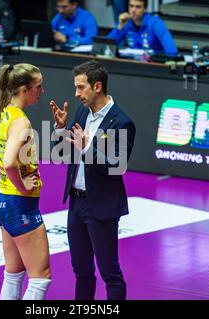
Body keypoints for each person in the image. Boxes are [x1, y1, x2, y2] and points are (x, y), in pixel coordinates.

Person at [49, 60, 136, 300]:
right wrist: (59, 129)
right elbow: (65, 153)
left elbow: (116, 166)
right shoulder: (81, 113)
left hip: (102, 206)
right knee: (82, 271)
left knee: (110, 273)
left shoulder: (122, 122)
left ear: (97, 86)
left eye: (81, 88)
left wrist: (86, 147)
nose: (76, 94)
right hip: (76, 204)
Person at [0, 63, 51, 300]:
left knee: (13, 274)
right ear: (23, 90)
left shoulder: (5, 112)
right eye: (38, 87)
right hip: (20, 204)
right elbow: (10, 162)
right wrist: (23, 183)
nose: (42, 91)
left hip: (2, 200)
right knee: (40, 277)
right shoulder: (21, 122)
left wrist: (8, 167)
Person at [107, 0, 178, 56]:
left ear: (145, 9)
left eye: (138, 7)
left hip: (153, 66)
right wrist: (119, 27)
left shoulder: (155, 24)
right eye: (131, 6)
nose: (133, 10)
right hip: (132, 65)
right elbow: (107, 46)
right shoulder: (126, 23)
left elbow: (172, 51)